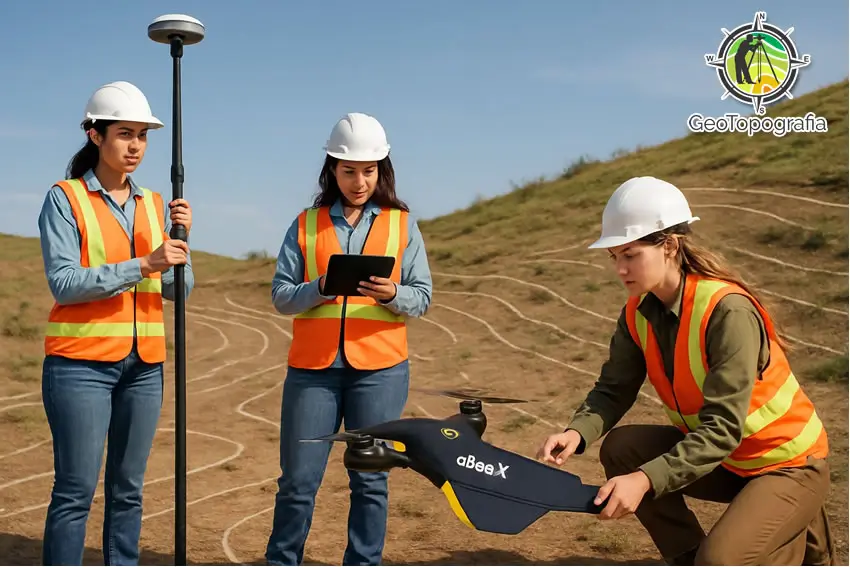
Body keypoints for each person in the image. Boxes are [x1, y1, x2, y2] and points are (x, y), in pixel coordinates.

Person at [536, 176, 834, 566]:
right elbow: (613, 389)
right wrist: (576, 432)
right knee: (622, 449)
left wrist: (644, 480)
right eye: (614, 257)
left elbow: (723, 428)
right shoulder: (637, 314)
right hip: (727, 461)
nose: (620, 269)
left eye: (630, 254)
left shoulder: (728, 312)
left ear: (670, 246)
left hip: (787, 465)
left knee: (721, 561)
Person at [37, 80, 195, 565]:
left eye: (142, 136)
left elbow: (177, 292)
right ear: (95, 136)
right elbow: (65, 283)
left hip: (145, 366)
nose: (135, 147)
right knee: (76, 490)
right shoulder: (65, 199)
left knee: (129, 490)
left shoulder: (155, 205)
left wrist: (181, 246)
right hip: (80, 365)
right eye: (125, 134)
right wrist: (145, 264)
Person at [265, 112, 432, 566]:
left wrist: (393, 293)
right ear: (332, 169)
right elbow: (281, 296)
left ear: (382, 169)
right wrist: (319, 288)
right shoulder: (305, 223)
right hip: (312, 372)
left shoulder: (402, 225)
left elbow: (423, 296)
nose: (359, 181)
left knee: (370, 480)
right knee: (298, 482)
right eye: (349, 171)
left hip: (380, 372)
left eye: (369, 170)